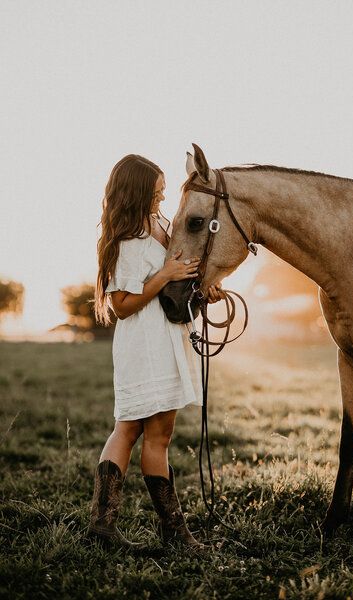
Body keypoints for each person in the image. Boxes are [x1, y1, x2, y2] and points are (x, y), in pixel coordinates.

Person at [88, 154, 222, 550]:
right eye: (156, 191)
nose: (163, 197)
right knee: (133, 429)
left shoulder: (164, 225)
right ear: (137, 191)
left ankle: (122, 528)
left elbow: (180, 280)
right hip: (143, 344)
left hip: (169, 339)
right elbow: (121, 305)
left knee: (152, 432)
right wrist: (163, 275)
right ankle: (162, 532)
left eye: (164, 190)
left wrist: (203, 288)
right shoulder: (126, 237)